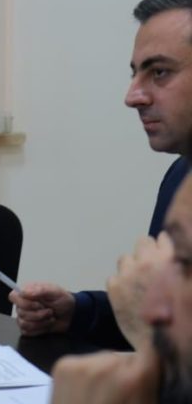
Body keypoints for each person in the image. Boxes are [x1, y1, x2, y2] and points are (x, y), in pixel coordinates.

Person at [11, 0, 192, 349]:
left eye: (159, 72)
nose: (132, 96)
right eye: (135, 74)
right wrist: (77, 312)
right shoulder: (181, 176)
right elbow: (166, 312)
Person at [50, 172, 192, 403]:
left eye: (184, 261)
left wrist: (152, 345)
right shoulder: (179, 173)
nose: (149, 310)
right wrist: (82, 312)